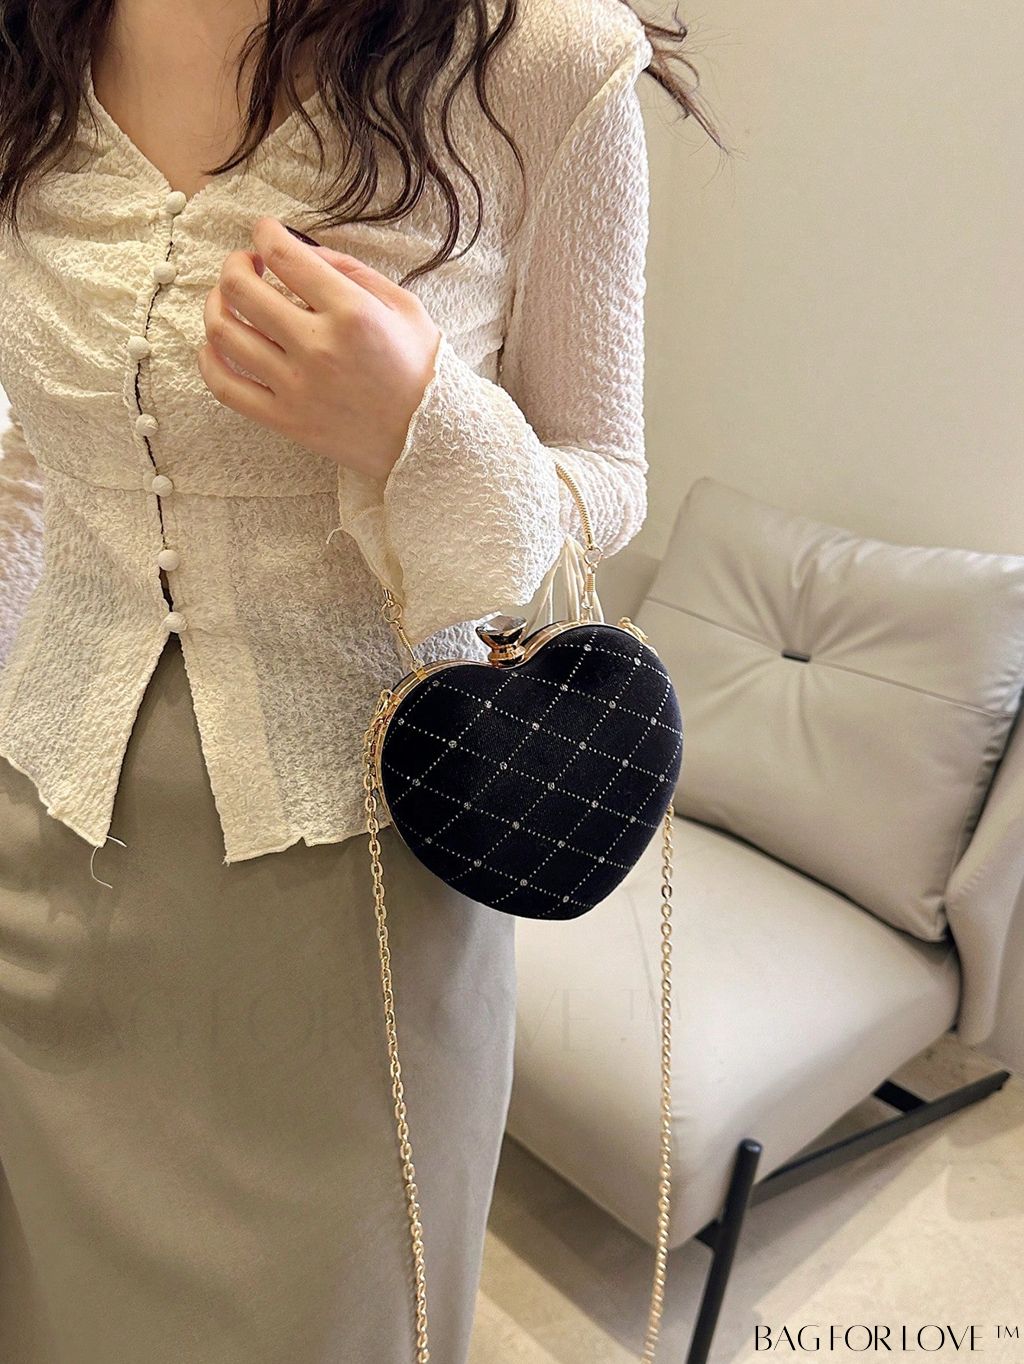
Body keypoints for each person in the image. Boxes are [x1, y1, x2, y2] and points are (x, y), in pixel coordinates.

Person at [0, 0, 719, 1359]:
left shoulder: (539, 61)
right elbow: (36, 461)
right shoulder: (31, 51)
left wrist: (422, 427)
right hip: (46, 849)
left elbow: (607, 478)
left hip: (357, 896)